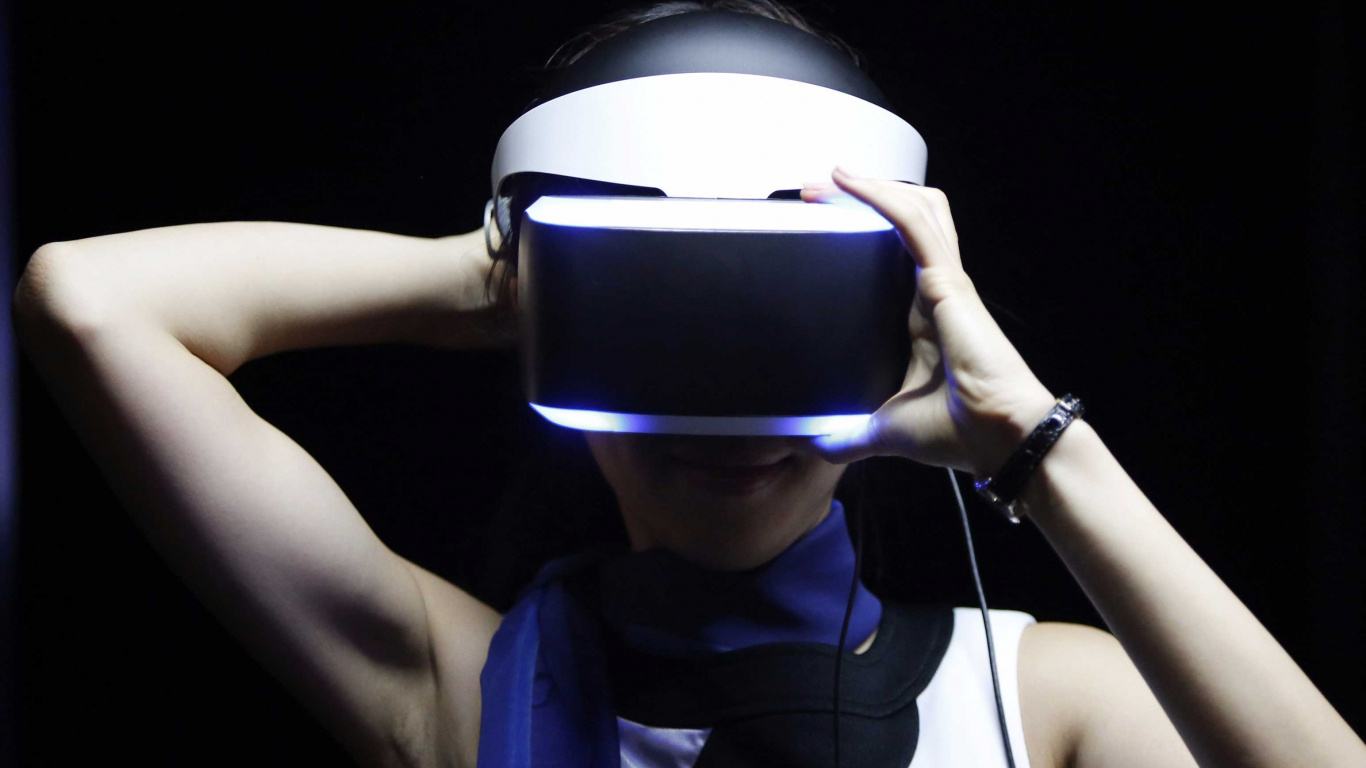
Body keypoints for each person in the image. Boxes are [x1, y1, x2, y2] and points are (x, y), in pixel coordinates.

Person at [10, 1, 1365, 767]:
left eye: (781, 331)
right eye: (665, 333)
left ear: (887, 332)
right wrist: (510, 274)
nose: (731, 418)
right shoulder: (456, 687)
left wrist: (1032, 444)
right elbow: (91, 302)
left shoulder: (1045, 697)